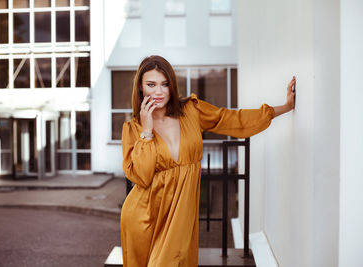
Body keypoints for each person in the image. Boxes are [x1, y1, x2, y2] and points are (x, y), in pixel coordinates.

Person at [120, 55, 295, 267]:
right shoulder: (133, 129)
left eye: (165, 84)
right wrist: (147, 130)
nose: (159, 91)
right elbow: (141, 176)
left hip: (180, 216)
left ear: (172, 86)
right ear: (140, 88)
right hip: (144, 218)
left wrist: (285, 107)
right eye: (151, 84)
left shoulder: (191, 111)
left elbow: (233, 119)